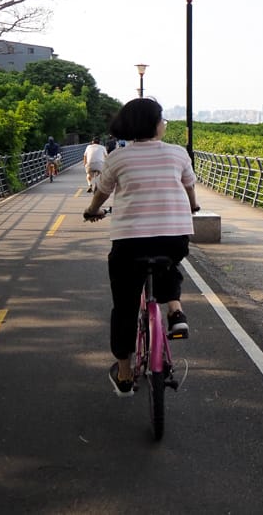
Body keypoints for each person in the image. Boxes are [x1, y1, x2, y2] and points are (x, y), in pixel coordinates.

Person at [83, 99, 199, 397]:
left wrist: (92, 210)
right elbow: (189, 187)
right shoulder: (178, 153)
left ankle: (124, 374)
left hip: (130, 240)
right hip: (175, 236)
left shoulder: (118, 158)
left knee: (124, 305)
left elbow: (102, 192)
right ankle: (175, 312)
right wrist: (193, 206)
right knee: (169, 262)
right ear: (155, 124)